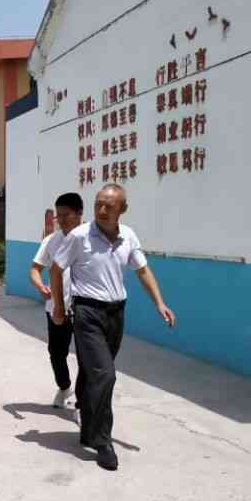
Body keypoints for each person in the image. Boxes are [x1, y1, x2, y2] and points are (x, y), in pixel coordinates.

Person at [50, 184, 176, 471]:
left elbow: (142, 270)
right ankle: (103, 442)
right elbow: (56, 270)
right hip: (87, 312)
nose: (102, 210)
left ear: (123, 209)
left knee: (91, 373)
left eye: (109, 205)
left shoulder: (128, 236)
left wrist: (159, 303)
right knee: (105, 375)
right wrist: (58, 305)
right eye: (98, 204)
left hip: (116, 313)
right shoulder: (80, 236)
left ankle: (87, 427)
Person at [30, 192, 84, 413]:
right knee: (56, 353)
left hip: (84, 308)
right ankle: (64, 387)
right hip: (56, 307)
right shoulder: (51, 240)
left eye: (65, 215)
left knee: (86, 358)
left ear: (79, 214)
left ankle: (82, 405)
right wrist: (40, 286)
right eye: (58, 216)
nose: (60, 220)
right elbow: (35, 269)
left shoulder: (90, 238)